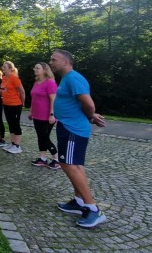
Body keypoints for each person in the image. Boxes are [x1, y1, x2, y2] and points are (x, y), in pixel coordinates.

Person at [49, 49, 107, 228]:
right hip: (68, 127)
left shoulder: (73, 78)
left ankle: (93, 209)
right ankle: (79, 202)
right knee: (74, 164)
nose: (50, 62)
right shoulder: (67, 79)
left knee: (68, 164)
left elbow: (88, 103)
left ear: (66, 62)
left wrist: (90, 116)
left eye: (54, 59)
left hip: (73, 129)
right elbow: (78, 103)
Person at [29, 62, 60, 169]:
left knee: (45, 137)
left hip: (47, 116)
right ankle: (43, 159)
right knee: (40, 137)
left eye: (38, 68)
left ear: (45, 70)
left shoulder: (50, 83)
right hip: (37, 115)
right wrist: (31, 111)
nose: (35, 69)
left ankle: (57, 159)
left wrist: (52, 114)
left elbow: (53, 99)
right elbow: (34, 99)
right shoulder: (36, 82)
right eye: (35, 67)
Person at [0, 61, 25, 153]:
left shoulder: (14, 78)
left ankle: (17, 146)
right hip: (6, 104)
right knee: (10, 124)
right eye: (2, 67)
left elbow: (22, 91)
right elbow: (5, 90)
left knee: (15, 124)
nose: (3, 68)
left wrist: (22, 102)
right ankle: (13, 143)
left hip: (15, 105)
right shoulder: (4, 78)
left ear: (11, 69)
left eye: (5, 67)